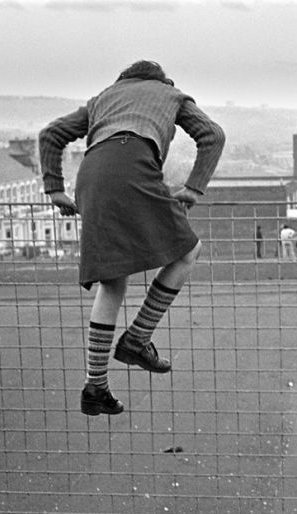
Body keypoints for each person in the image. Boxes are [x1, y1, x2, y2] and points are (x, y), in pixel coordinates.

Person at [39, 60, 225, 417]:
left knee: (113, 283)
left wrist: (53, 189)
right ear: (162, 80)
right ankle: (138, 338)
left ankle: (95, 387)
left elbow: (51, 134)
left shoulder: (103, 98)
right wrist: (193, 188)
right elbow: (212, 135)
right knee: (188, 252)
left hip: (92, 176)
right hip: (134, 165)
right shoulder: (171, 94)